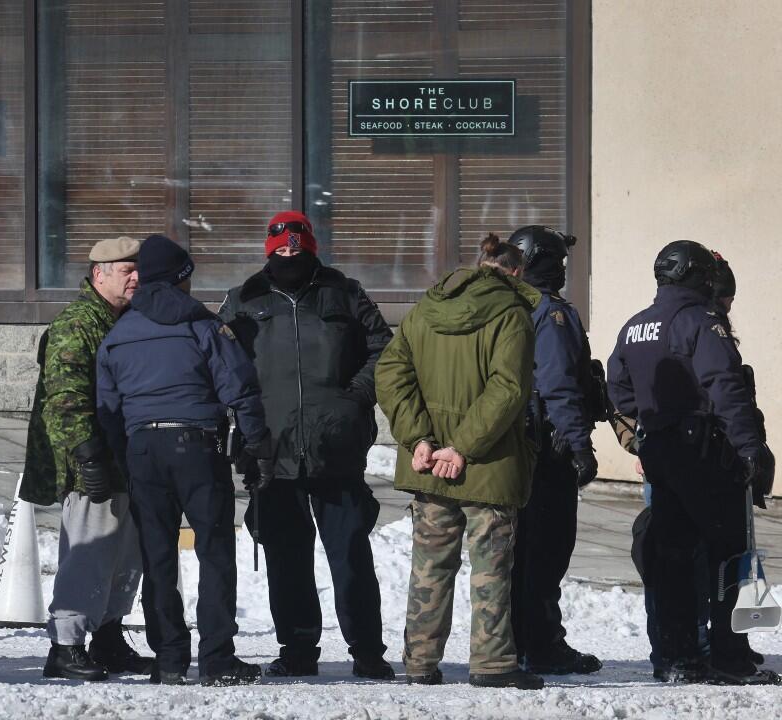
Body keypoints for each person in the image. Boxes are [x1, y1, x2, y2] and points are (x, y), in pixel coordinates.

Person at [218, 210, 395, 680]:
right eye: (281, 248)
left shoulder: (345, 293)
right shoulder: (243, 300)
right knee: (286, 558)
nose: (289, 254)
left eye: (297, 246)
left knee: (351, 554)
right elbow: (218, 363)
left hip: (336, 447)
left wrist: (354, 398)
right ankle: (297, 650)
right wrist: (242, 421)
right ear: (268, 251)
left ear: (312, 247)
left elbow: (386, 351)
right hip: (271, 449)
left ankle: (368, 651)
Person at [96, 234, 274, 687]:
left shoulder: (118, 334)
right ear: (180, 278)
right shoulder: (202, 326)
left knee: (158, 557)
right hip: (197, 447)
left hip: (142, 451)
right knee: (214, 551)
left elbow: (107, 410)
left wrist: (127, 453)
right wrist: (255, 447)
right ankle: (217, 659)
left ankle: (170, 659)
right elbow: (240, 388)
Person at [375, 234, 544, 690]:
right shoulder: (513, 316)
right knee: (490, 568)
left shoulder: (423, 309)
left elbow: (390, 373)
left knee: (429, 567)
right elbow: (508, 390)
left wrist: (419, 439)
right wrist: (462, 448)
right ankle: (492, 664)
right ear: (515, 272)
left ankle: (419, 663)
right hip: (487, 465)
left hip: (429, 465)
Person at [607, 240, 778, 685]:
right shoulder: (701, 322)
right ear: (695, 275)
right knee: (727, 553)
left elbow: (620, 391)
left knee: (674, 555)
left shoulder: (634, 326)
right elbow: (724, 385)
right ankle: (728, 656)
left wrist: (649, 428)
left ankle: (679, 657)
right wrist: (749, 447)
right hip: (704, 450)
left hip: (661, 451)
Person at [20, 237, 153, 681]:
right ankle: (65, 646)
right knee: (90, 552)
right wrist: (86, 452)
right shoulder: (78, 323)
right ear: (99, 275)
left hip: (125, 457)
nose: (135, 277)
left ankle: (109, 637)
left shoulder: (125, 318)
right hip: (89, 463)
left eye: (138, 269)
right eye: (125, 270)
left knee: (124, 555)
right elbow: (64, 396)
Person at [506, 225, 602, 675]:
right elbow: (558, 382)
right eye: (559, 260)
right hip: (547, 446)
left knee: (516, 550)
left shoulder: (499, 305)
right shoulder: (550, 311)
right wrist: (580, 446)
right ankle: (541, 644)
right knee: (547, 549)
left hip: (509, 445)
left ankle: (512, 640)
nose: (564, 268)